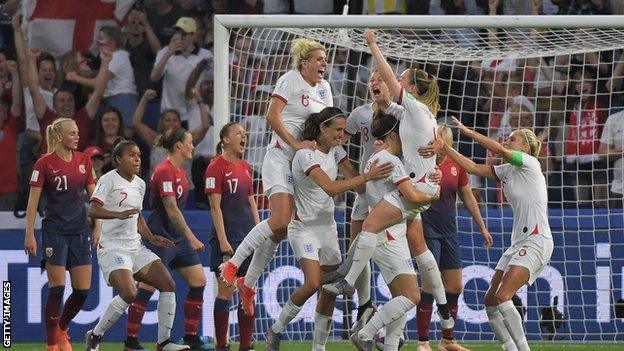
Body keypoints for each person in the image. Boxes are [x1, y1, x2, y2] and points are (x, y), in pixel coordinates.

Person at [323, 28, 453, 331]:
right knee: (375, 234)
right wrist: (441, 151)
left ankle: (349, 284)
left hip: (410, 186)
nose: (393, 81)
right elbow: (387, 105)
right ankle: (442, 317)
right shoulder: (408, 114)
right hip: (409, 183)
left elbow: (390, 84)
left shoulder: (417, 111)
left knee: (373, 229)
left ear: (412, 89)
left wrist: (372, 44)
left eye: (401, 78)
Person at [219, 37, 333, 317]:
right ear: (305, 63)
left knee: (280, 229)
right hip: (280, 157)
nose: (324, 63)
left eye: (326, 59)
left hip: (301, 166)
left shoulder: (325, 88)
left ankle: (249, 283)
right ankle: (233, 264)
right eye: (319, 59)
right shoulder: (290, 79)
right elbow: (272, 116)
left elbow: (329, 124)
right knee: (280, 220)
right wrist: (295, 144)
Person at [264, 107, 392, 351]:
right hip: (304, 229)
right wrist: (368, 176)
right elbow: (331, 188)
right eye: (338, 130)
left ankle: (318, 348)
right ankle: (276, 330)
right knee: (313, 283)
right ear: (323, 128)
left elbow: (357, 181)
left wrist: (383, 167)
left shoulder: (337, 152)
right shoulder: (305, 154)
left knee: (329, 291)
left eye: (344, 131)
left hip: (328, 229)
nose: (342, 135)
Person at [441, 116, 553, 351]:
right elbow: (472, 168)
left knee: (503, 296)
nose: (508, 140)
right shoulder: (507, 170)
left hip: (536, 239)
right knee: (490, 301)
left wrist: (468, 131)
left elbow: (500, 149)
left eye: (514, 138)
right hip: (519, 241)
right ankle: (509, 347)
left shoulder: (530, 163)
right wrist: (446, 147)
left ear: (525, 146)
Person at [330, 111, 437, 351]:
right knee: (412, 296)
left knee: (400, 297)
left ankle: (389, 346)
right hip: (388, 236)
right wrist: (433, 194)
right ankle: (366, 333)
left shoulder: (374, 158)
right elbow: (410, 196)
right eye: (402, 136)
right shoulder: (391, 161)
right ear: (392, 136)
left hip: (386, 235)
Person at [85, 139, 189, 351]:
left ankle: (164, 342)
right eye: (131, 155)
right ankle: (95, 335)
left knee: (168, 284)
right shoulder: (108, 180)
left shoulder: (140, 184)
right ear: (118, 160)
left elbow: (137, 215)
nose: (137, 159)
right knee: (130, 293)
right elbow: (93, 210)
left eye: (139, 155)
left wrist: (151, 237)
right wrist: (117, 214)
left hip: (135, 247)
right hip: (113, 247)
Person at [124, 128, 210, 351]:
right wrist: (191, 237)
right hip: (160, 237)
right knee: (148, 288)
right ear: (179, 145)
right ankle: (131, 342)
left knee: (199, 281)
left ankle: (191, 337)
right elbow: (171, 209)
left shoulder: (181, 172)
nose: (193, 146)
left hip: (177, 239)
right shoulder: (164, 170)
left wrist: (184, 237)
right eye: (190, 142)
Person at [24, 118, 99, 351]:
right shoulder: (44, 164)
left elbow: (94, 198)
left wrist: (98, 227)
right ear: (58, 137)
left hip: (79, 231)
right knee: (57, 288)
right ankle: (51, 345)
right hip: (54, 231)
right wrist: (29, 234)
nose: (77, 137)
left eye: (78, 133)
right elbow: (33, 202)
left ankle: (62, 329)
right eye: (72, 133)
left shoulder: (84, 161)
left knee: (82, 290)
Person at [416, 124, 493, 351]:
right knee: (430, 285)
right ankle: (422, 342)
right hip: (426, 230)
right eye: (435, 138)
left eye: (441, 138)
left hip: (449, 231)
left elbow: (467, 196)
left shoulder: (456, 165)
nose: (437, 142)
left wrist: (482, 227)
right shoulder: (421, 161)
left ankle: (448, 340)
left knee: (455, 286)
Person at [342, 69, 392, 325]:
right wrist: (355, 177)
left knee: (391, 250)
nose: (375, 83)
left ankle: (395, 315)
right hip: (365, 190)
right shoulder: (359, 114)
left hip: (393, 189)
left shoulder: (401, 113)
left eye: (380, 79)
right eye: (372, 80)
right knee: (356, 247)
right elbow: (336, 141)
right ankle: (364, 306)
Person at [205, 123, 259, 351]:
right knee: (226, 291)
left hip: (248, 239)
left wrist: (260, 230)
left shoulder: (246, 166)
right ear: (226, 139)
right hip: (227, 240)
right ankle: (221, 345)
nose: (243, 136)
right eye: (238, 133)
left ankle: (245, 346)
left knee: (247, 291)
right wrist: (223, 240)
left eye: (244, 133)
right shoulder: (215, 167)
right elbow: (215, 208)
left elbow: (251, 199)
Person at [28, 46, 109, 153]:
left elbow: (98, 94)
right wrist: (32, 59)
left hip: (75, 169)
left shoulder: (82, 118)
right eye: (62, 100)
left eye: (70, 100)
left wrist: (105, 62)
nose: (67, 103)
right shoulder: (47, 118)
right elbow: (34, 92)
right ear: (54, 107)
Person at [133, 89, 210, 179]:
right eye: (168, 120)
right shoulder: (155, 140)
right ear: (161, 123)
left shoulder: (188, 141)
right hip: (158, 190)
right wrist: (144, 98)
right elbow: (136, 123)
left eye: (175, 120)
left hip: (184, 190)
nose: (171, 123)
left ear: (180, 123)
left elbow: (205, 125)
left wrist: (199, 99)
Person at [0, 59, 22, 211]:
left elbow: (16, 102)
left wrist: (14, 74)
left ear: (5, 114)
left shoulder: (11, 128)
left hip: (9, 191)